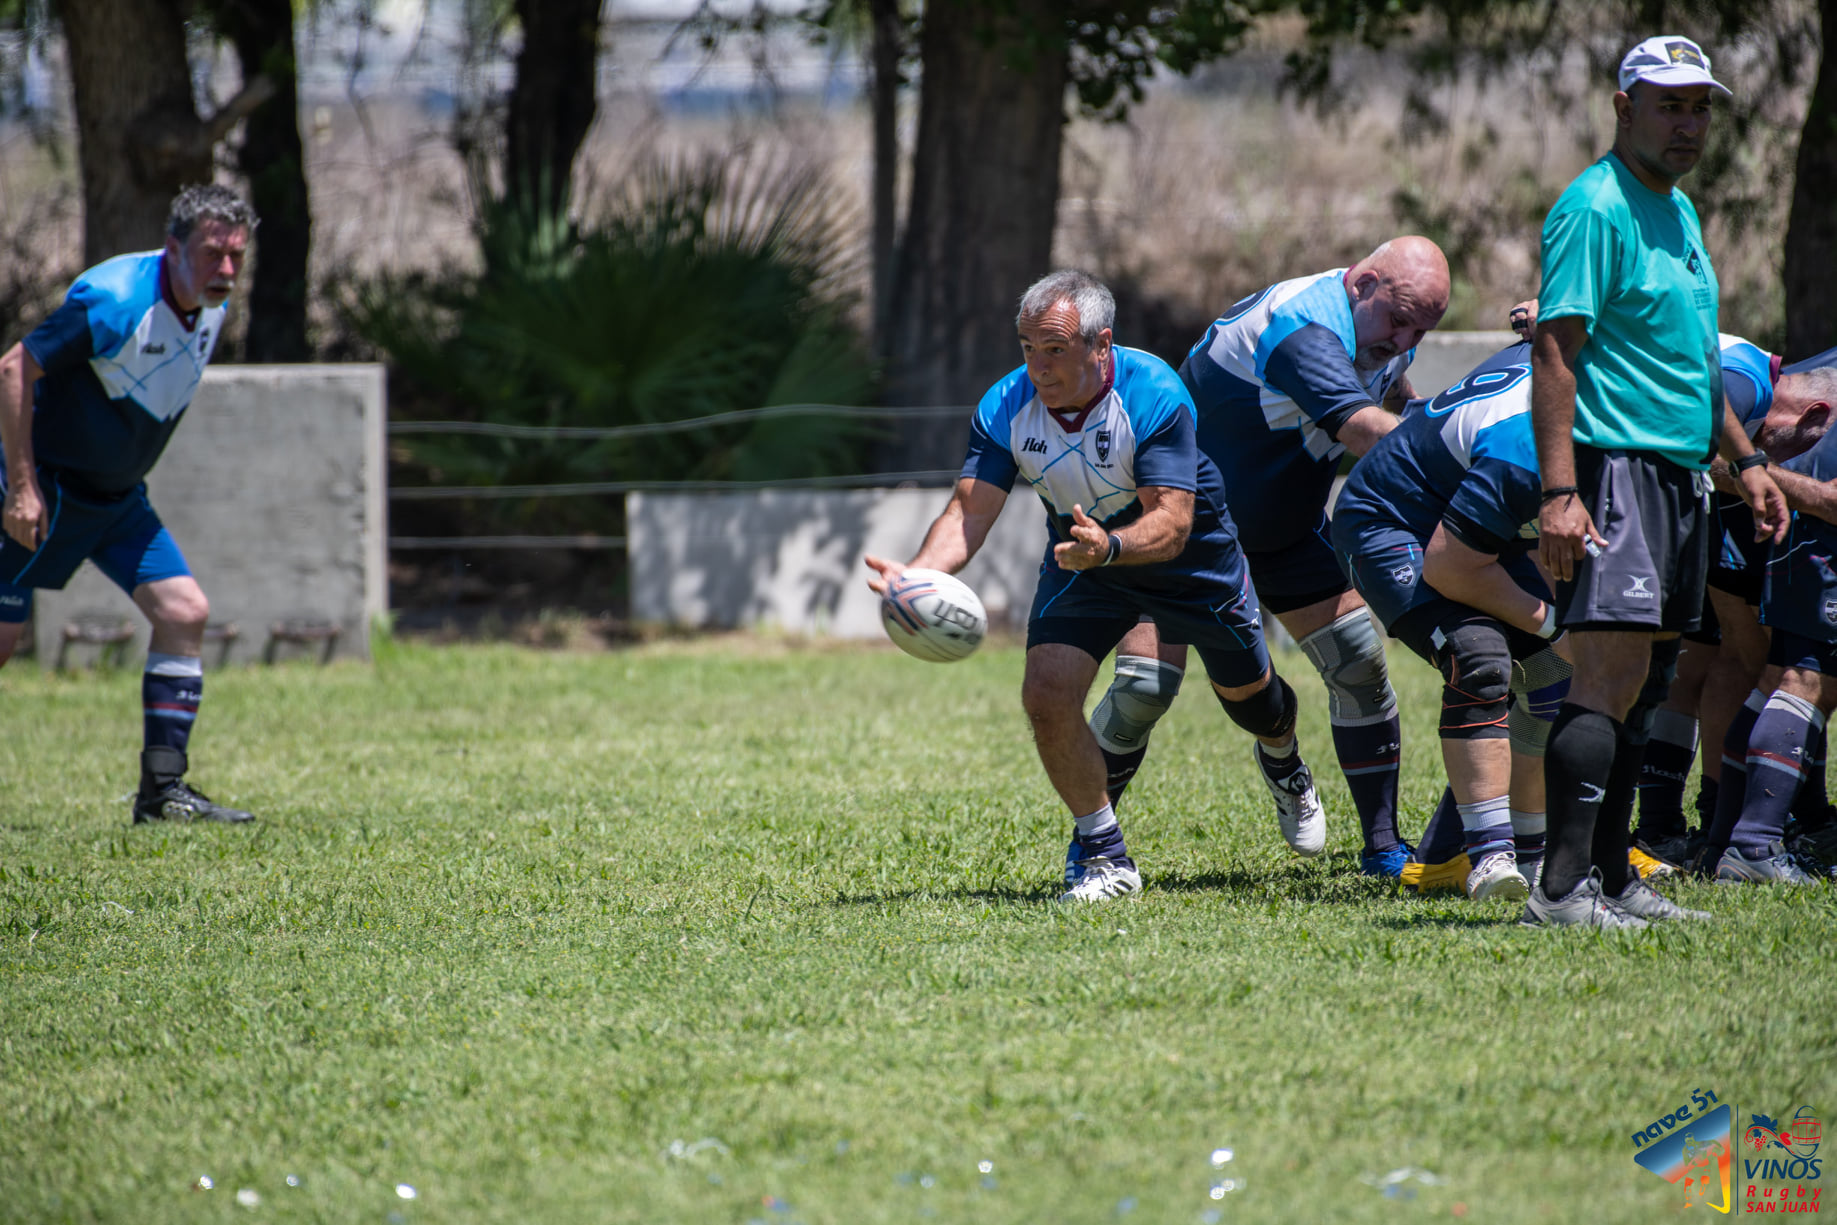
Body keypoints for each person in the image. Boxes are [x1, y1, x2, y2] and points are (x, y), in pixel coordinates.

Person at [864, 270, 1320, 903]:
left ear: (1100, 345)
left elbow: (1172, 521)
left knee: (1253, 701)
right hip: (1082, 561)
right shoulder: (1004, 406)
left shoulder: (1154, 392)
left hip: (1188, 561)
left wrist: (1111, 546)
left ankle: (1284, 761)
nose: (1038, 366)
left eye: (1054, 349)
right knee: (1046, 693)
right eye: (1027, 347)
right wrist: (919, 577)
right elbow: (969, 512)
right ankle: (1105, 857)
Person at [1084, 237, 1451, 876]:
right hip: (1181, 528)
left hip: (1281, 527)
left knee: (1359, 660)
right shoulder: (1304, 328)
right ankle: (1091, 855)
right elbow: (1364, 429)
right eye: (1398, 319)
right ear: (1362, 283)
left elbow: (1389, 389)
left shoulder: (1385, 326)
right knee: (1144, 688)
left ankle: (1384, 847)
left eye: (1423, 326)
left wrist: (1418, 402)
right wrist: (1470, 451)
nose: (1405, 337)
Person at [1526, 36, 1788, 928]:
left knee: (1650, 680)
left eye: (1701, 105)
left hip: (1679, 475)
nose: (1688, 122)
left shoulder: (1678, 213)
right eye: (1669, 103)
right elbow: (1555, 351)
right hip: (1612, 467)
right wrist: (1559, 493)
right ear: (1622, 105)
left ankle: (1609, 877)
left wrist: (1744, 459)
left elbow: (1691, 362)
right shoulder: (1593, 208)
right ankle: (1558, 891)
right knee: (1604, 675)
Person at [0, 184, 258, 825]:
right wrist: (22, 488)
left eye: (236, 257)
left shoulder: (212, 304)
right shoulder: (117, 300)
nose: (225, 271)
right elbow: (13, 368)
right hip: (47, 491)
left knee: (184, 611)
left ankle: (163, 793)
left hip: (117, 503)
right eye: (210, 254)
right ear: (172, 248)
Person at [1332, 341, 1582, 903]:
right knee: (1481, 659)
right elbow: (1451, 566)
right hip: (1390, 521)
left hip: (1467, 518)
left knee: (1551, 677)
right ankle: (1490, 856)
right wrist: (1556, 629)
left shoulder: (1573, 362)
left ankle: (1525, 855)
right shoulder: (1528, 447)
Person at [1634, 335, 1837, 867]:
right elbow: (1691, 456)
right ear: (1816, 413)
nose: (1796, 460)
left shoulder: (1753, 377)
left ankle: (1711, 828)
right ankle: (1727, 832)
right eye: (1807, 446)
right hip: (1647, 514)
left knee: (1722, 661)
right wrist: (1814, 495)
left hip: (1685, 517)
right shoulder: (1743, 380)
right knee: (1766, 667)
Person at [1699, 357, 1837, 882]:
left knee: (1774, 680)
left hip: (1792, 547)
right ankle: (1753, 845)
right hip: (1816, 551)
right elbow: (1705, 457)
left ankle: (1723, 842)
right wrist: (1763, 473)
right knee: (1807, 684)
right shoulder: (1744, 379)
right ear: (1814, 413)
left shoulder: (1764, 378)